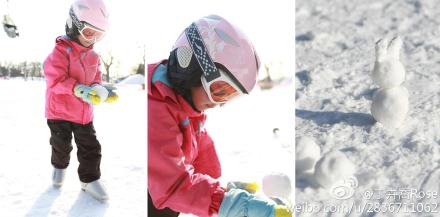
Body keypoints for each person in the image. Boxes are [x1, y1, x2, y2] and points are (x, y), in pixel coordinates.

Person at [148, 15, 292, 217]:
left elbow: (202, 157)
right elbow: (172, 186)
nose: (219, 103)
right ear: (188, 65)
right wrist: (233, 205)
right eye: (220, 90)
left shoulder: (189, 109)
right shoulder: (155, 109)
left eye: (230, 96)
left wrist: (222, 192)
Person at [43, 0, 117, 202]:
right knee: (62, 146)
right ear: (74, 25)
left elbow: (95, 79)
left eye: (99, 34)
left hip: (83, 114)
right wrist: (76, 88)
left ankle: (89, 180)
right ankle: (59, 167)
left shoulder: (94, 56)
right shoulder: (60, 51)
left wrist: (100, 89)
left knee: (91, 148)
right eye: (89, 32)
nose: (93, 39)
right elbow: (54, 79)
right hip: (59, 112)